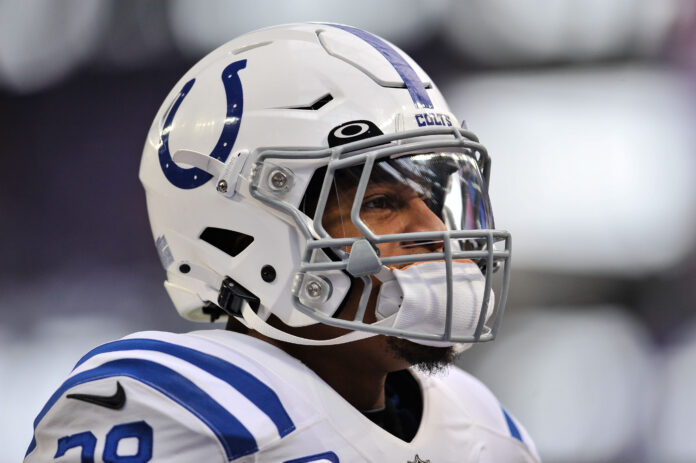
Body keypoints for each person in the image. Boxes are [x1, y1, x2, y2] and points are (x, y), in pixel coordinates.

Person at [25, 23, 540, 462]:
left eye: (431, 198)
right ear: (246, 235)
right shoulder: (178, 409)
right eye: (379, 202)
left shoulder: (482, 426)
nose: (434, 229)